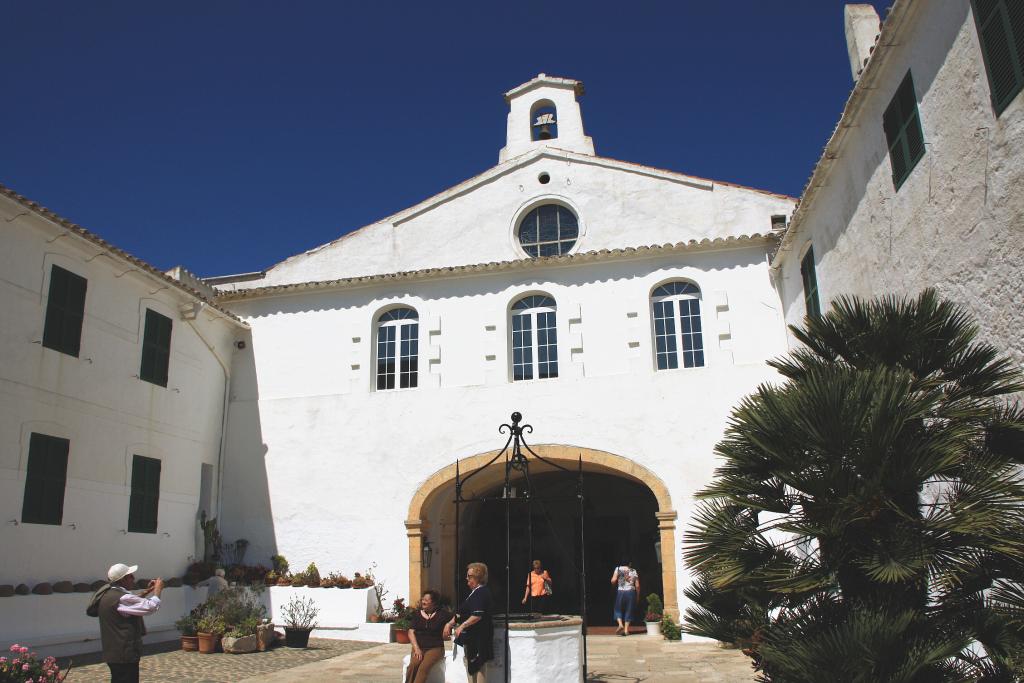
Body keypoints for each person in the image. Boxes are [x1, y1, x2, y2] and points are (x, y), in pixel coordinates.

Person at [93, 563, 163, 683]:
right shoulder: (122, 598)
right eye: (130, 576)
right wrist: (158, 590)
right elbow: (151, 607)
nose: (134, 578)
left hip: (114, 653)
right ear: (123, 579)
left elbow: (130, 602)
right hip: (124, 653)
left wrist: (147, 591)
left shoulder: (108, 594)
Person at [444, 562, 494, 683]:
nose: (466, 578)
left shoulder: (481, 592)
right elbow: (461, 613)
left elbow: (477, 615)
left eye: (469, 576)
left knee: (479, 665)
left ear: (478, 577)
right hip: (472, 637)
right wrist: (449, 623)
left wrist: (462, 626)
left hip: (479, 636)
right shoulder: (474, 593)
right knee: (472, 666)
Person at [406, 589, 453, 683]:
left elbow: (456, 617)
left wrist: (448, 625)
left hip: (435, 648)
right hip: (419, 647)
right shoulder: (417, 614)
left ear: (434, 603)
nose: (423, 602)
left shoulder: (442, 614)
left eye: (427, 600)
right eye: (423, 599)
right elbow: (411, 632)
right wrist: (416, 648)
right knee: (413, 665)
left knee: (423, 668)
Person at [611, 558, 639, 636]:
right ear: (629, 563)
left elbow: (613, 580)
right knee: (629, 610)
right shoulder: (633, 571)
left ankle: (620, 624)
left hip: (620, 591)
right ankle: (626, 630)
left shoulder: (618, 568)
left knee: (617, 609)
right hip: (631, 592)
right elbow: (637, 585)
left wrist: (614, 584)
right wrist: (638, 595)